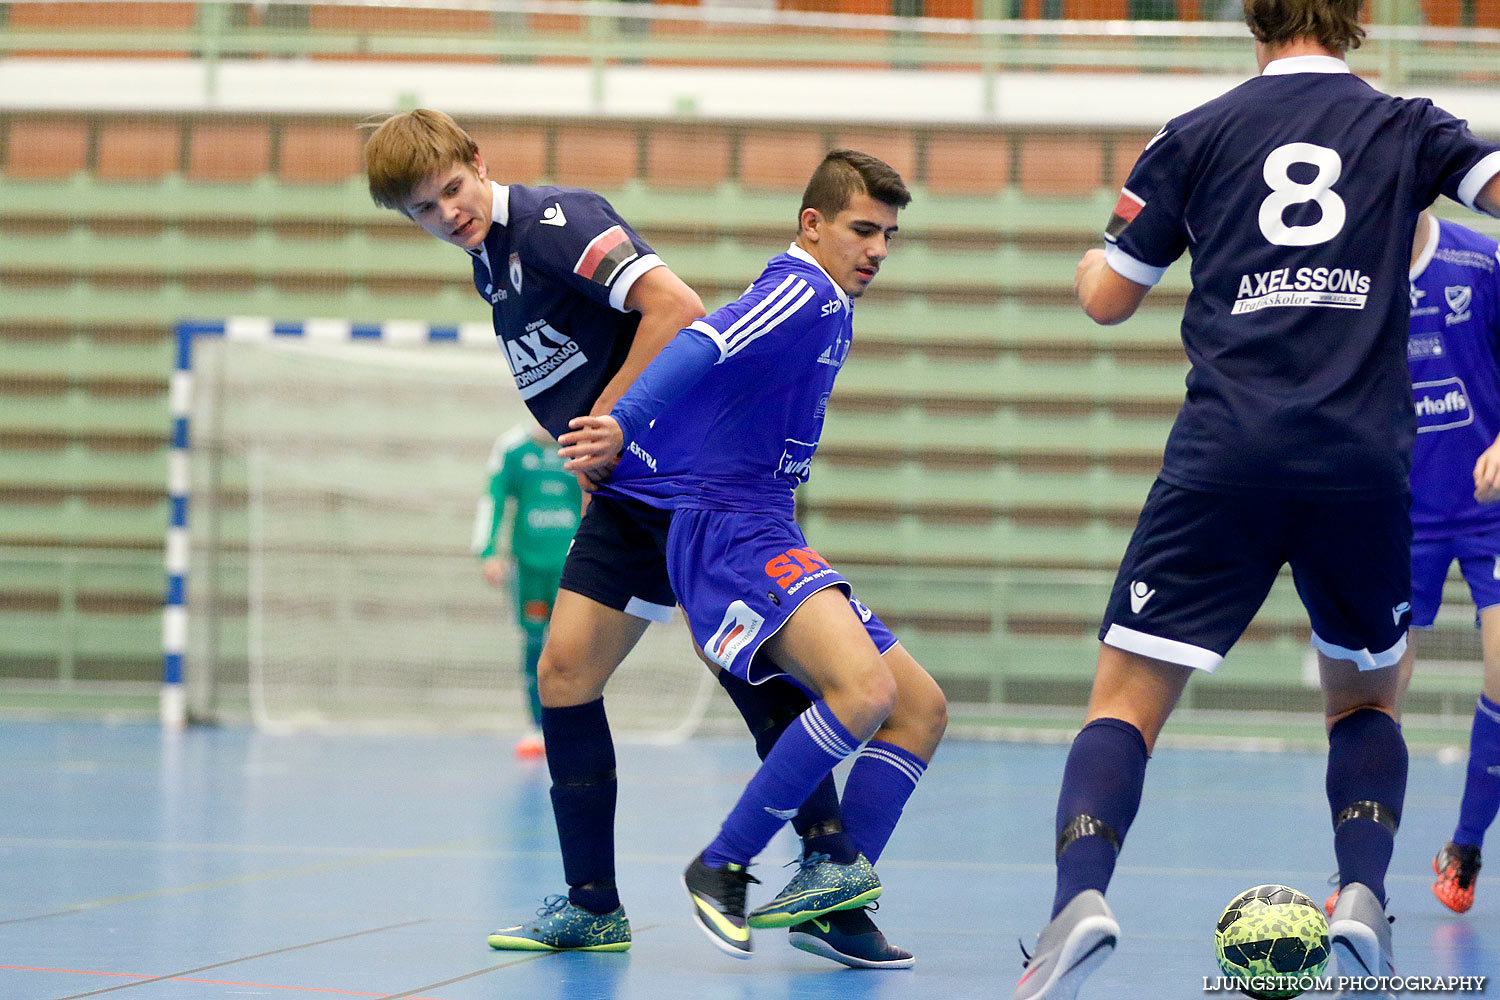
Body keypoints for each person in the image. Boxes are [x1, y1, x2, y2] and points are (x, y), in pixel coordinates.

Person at [1008, 1, 1500, 996]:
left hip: (1224, 455)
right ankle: (1361, 889)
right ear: (1359, 17)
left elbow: (1108, 297)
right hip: (1362, 467)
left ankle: (1080, 898)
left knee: (1127, 701)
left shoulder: (1192, 134)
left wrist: (1089, 265)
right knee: (1364, 696)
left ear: (1253, 20)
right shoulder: (1412, 125)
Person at [362, 110, 903, 967]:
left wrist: (610, 421)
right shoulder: (491, 265)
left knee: (754, 673)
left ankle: (832, 875)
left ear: (477, 161)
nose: (449, 213)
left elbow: (675, 308)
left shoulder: (553, 222)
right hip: (626, 494)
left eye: (453, 190)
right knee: (565, 672)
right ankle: (593, 905)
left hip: (678, 483)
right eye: (426, 210)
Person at [560, 149, 948, 959]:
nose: (877, 248)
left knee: (920, 709)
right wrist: (624, 422)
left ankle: (830, 903)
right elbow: (704, 340)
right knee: (866, 690)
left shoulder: (834, 302)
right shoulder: (802, 287)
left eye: (890, 235)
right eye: (862, 229)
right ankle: (723, 864)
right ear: (813, 225)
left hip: (770, 523)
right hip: (733, 530)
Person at [1400, 210, 1500, 913]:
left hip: (1491, 512)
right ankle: (1359, 871)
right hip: (1398, 515)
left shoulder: (1483, 262)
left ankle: (1465, 845)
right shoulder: (1353, 272)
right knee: (1374, 693)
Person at [472, 419, 583, 758]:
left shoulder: (581, 443)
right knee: (535, 644)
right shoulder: (513, 448)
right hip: (529, 567)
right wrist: (488, 551)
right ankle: (538, 726)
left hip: (574, 568)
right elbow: (494, 496)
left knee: (574, 649)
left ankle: (574, 726)